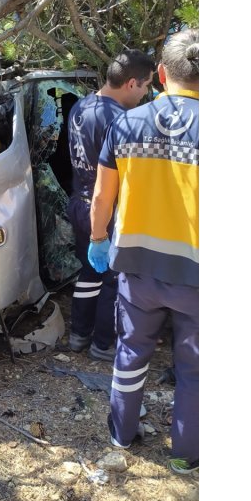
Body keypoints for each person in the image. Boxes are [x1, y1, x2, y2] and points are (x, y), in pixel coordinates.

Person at [88, 28, 199, 472]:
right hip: (198, 274)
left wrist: (99, 241)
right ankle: (186, 456)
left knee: (131, 354)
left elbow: (101, 198)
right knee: (196, 369)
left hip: (136, 268)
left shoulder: (126, 123)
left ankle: (121, 436)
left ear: (158, 74)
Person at [63, 49, 157, 362]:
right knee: (114, 279)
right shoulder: (119, 119)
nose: (144, 94)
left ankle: (79, 334)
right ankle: (103, 344)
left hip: (80, 202)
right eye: (144, 87)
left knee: (88, 273)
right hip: (108, 209)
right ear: (131, 83)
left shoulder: (80, 105)